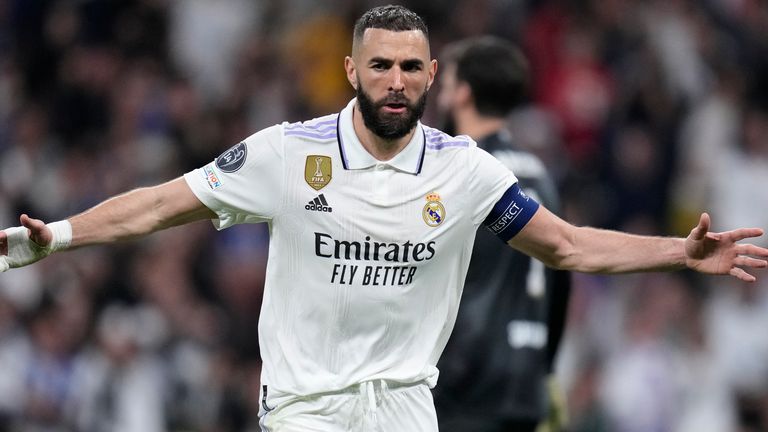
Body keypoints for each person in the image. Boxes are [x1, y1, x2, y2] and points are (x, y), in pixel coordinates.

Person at [1, 5, 766, 432]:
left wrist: (678, 253)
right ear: (352, 71)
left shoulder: (461, 169)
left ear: (433, 75)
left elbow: (564, 246)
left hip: (405, 410)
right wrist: (61, 236)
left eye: (409, 68)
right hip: (307, 412)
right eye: (380, 66)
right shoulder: (287, 155)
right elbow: (162, 204)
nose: (394, 83)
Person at [433, 36, 570, 432]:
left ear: (462, 94)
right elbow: (561, 278)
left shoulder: (461, 173)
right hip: (526, 382)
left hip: (467, 382)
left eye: (446, 86)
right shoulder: (540, 176)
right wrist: (546, 372)